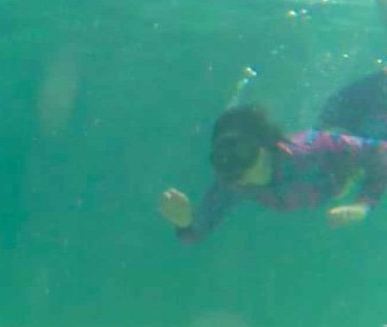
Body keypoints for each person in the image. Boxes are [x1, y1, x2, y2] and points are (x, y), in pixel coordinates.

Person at [159, 99, 387, 243]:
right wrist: (184, 222)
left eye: (241, 151)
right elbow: (196, 232)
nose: (237, 167)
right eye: (223, 158)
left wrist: (362, 205)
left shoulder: (315, 148)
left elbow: (381, 152)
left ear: (265, 145)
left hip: (350, 146)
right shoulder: (233, 183)